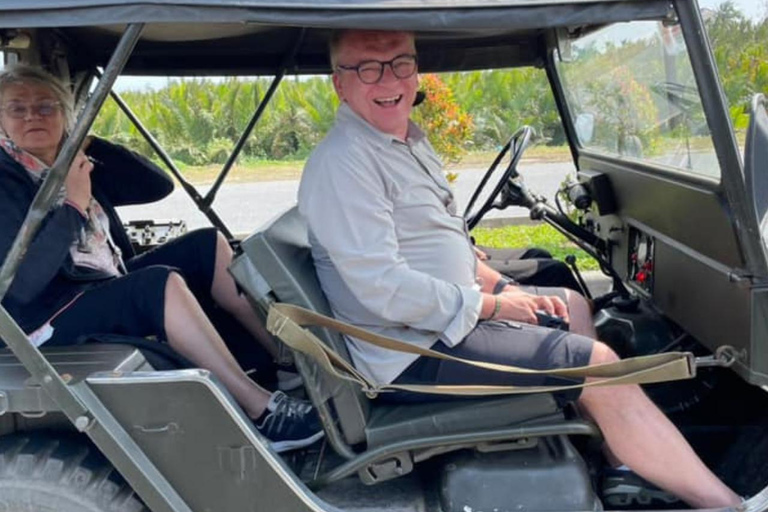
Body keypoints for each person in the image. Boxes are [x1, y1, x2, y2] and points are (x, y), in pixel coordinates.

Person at [297, 30, 741, 507]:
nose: (389, 80)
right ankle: (728, 504)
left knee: (571, 304)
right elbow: (383, 288)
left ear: (416, 70)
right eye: (368, 67)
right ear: (339, 83)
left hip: (434, 325)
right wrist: (492, 306)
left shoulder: (401, 142)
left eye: (400, 63)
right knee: (598, 366)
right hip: (411, 353)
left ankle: (622, 463)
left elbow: (442, 243)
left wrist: (505, 287)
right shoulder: (346, 162)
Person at [0, 65, 322, 453]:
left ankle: (289, 365)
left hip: (94, 283)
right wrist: (73, 206)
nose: (32, 116)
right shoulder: (7, 178)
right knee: (157, 283)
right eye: (17, 108)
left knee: (206, 244)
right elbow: (20, 288)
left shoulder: (73, 166)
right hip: (41, 318)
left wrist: (85, 142)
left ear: (66, 115)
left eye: (46, 107)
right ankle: (260, 410)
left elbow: (155, 185)